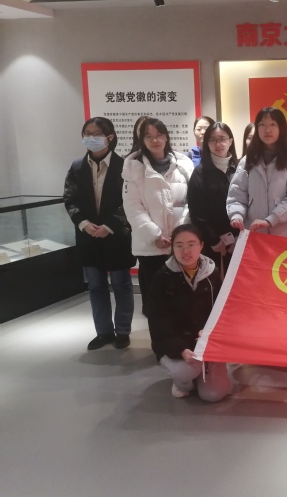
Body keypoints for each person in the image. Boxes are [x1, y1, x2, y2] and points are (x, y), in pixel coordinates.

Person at [64, 117, 136, 350]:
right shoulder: (77, 167)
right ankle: (103, 332)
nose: (91, 138)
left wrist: (110, 225)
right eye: (87, 133)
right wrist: (84, 223)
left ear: (110, 137)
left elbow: (131, 200)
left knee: (121, 285)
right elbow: (69, 199)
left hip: (117, 236)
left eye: (97, 133)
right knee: (96, 287)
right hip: (88, 236)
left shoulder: (124, 166)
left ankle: (122, 331)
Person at [146, 224, 231, 402]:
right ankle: (183, 382)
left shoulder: (213, 274)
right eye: (179, 245)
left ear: (201, 245)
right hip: (177, 343)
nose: (186, 251)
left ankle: (203, 369)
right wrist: (179, 349)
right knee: (184, 372)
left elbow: (223, 310)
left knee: (213, 395)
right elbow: (158, 321)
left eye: (191, 244)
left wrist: (211, 334)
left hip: (204, 341)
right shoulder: (162, 278)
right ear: (172, 248)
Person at [122, 117, 194, 313]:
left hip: (181, 246)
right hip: (150, 247)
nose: (155, 140)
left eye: (159, 135)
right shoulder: (133, 168)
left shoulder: (184, 164)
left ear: (166, 137)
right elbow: (133, 207)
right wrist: (154, 235)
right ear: (142, 140)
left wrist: (180, 234)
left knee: (182, 301)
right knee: (156, 303)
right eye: (149, 136)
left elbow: (192, 201)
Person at [227, 106, 287, 238]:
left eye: (273, 124)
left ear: (281, 128)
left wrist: (271, 220)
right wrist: (237, 215)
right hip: (255, 232)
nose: (267, 129)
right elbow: (237, 194)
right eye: (262, 124)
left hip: (285, 232)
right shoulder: (248, 160)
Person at [187, 122, 239, 277]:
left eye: (222, 139)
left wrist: (239, 237)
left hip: (239, 240)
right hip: (212, 245)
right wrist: (215, 241)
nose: (218, 144)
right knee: (215, 284)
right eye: (212, 140)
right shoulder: (200, 173)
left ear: (230, 141)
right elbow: (197, 213)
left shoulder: (240, 168)